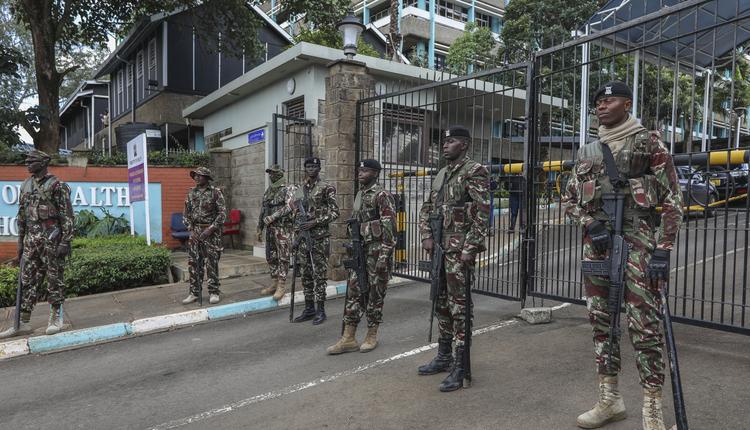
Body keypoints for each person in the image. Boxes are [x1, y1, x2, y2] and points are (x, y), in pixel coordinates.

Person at [562, 81, 683, 430]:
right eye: (598, 101)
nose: (601, 106)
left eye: (609, 99)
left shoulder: (648, 142)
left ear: (627, 103)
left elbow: (672, 199)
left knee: (643, 325)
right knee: (601, 321)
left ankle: (652, 409)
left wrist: (664, 248)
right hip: (597, 245)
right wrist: (588, 222)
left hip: (637, 240)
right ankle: (609, 399)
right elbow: (569, 200)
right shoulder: (588, 152)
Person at [416, 126, 490, 392]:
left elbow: (482, 214)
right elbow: (427, 208)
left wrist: (470, 249)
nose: (446, 145)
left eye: (452, 141)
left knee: (460, 307)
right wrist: (425, 235)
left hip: (459, 252)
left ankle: (461, 365)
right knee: (441, 302)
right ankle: (444, 355)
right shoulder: (442, 174)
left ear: (465, 145)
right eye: (444, 141)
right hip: (439, 248)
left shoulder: (475, 171)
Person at [0, 150, 74, 338]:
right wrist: (20, 244)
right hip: (31, 242)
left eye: (32, 161)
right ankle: (22, 322)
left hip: (51, 240)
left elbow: (67, 216)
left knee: (54, 279)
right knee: (27, 281)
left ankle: (56, 318)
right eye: (27, 160)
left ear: (43, 162)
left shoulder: (57, 185)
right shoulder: (25, 185)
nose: (28, 163)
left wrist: (65, 241)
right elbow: (22, 217)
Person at [327, 159, 396, 354]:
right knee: (354, 293)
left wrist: (384, 256)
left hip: (376, 254)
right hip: (360, 253)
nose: (360, 173)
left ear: (375, 173)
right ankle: (348, 338)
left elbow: (389, 228)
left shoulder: (382, 196)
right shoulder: (360, 195)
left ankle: (371, 334)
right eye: (359, 169)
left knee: (374, 294)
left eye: (365, 170)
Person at [290, 157, 339, 325]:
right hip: (303, 238)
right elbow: (295, 212)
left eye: (314, 166)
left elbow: (335, 212)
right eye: (308, 166)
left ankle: (321, 310)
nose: (311, 169)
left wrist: (316, 221)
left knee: (319, 275)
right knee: (305, 275)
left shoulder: (327, 188)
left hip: (319, 238)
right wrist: (296, 236)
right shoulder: (300, 189)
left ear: (319, 168)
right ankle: (309, 308)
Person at [181, 167, 227, 305]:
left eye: (199, 176)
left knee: (212, 264)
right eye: (195, 175)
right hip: (195, 233)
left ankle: (213, 292)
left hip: (211, 234)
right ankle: (194, 293)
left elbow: (222, 214)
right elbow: (185, 215)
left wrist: (210, 229)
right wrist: (191, 229)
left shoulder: (215, 193)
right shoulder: (190, 193)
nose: (196, 178)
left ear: (206, 178)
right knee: (194, 263)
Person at [257, 164, 297, 301]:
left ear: (281, 173)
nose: (271, 175)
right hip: (270, 229)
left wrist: (273, 216)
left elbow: (290, 206)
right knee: (271, 256)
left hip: (283, 228)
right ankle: (274, 282)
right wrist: (259, 228)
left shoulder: (289, 188)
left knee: (283, 257)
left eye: (274, 173)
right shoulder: (269, 191)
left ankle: (282, 284)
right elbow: (263, 209)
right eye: (270, 173)